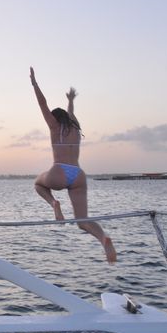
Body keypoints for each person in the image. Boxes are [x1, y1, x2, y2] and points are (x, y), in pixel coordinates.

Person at [29, 67, 116, 264]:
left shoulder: (54, 126)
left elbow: (42, 104)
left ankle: (54, 204)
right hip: (77, 174)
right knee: (82, 220)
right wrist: (70, 100)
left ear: (55, 118)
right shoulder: (75, 128)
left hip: (59, 171)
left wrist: (34, 83)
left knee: (38, 183)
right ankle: (103, 239)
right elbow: (71, 113)